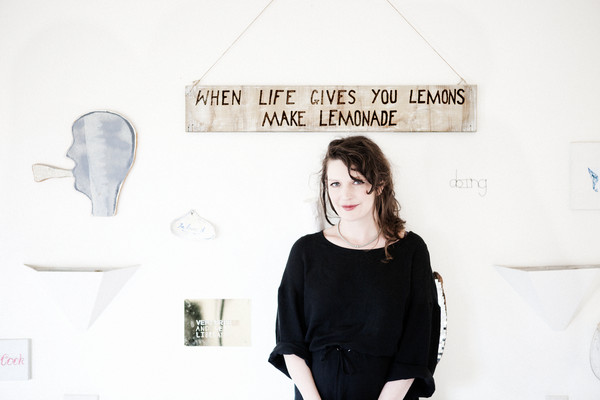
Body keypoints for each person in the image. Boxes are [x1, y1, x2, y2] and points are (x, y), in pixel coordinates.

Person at [268, 135, 439, 400]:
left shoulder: (411, 251)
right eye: (335, 183)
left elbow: (417, 344)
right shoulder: (305, 252)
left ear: (379, 184)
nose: (344, 195)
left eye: (357, 181)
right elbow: (290, 342)